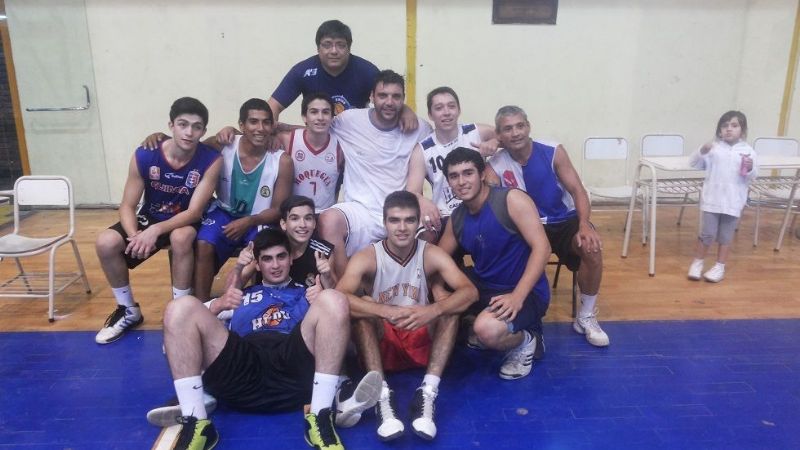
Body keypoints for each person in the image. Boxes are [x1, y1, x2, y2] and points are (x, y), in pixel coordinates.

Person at [160, 228, 381, 450]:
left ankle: (320, 416)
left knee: (334, 299)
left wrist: (325, 290)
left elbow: (341, 333)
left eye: (281, 257)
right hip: (241, 368)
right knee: (178, 308)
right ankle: (197, 422)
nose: (275, 265)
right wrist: (220, 304)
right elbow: (176, 332)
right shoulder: (240, 295)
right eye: (267, 259)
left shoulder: (308, 293)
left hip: (292, 368)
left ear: (290, 259)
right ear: (257, 264)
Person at [336, 191, 478, 441]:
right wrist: (383, 310)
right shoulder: (367, 256)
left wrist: (432, 309)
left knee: (449, 307)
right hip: (383, 341)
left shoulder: (430, 253)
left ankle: (428, 391)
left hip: (420, 335)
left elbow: (470, 292)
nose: (402, 228)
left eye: (409, 220)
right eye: (394, 220)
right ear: (384, 223)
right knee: (364, 308)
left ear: (418, 223)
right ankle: (381, 398)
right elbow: (339, 298)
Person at [95, 97, 222, 345]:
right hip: (152, 214)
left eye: (196, 127)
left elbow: (195, 212)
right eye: (183, 124)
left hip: (184, 217)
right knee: (106, 241)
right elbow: (127, 205)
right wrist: (135, 235)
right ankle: (127, 309)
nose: (189, 132)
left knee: (182, 236)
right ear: (171, 125)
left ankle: (180, 315)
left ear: (204, 131)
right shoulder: (146, 154)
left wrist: (154, 231)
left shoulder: (211, 159)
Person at [138, 98, 294, 301]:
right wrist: (161, 138)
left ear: (273, 126)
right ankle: (201, 305)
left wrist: (249, 221)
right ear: (241, 125)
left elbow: (278, 209)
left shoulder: (282, 160)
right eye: (253, 122)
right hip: (224, 211)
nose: (260, 128)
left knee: (262, 249)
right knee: (204, 243)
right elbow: (189, 147)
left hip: (259, 219)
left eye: (266, 122)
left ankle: (258, 302)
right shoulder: (223, 144)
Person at [486, 105, 610, 348]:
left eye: (520, 126)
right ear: (499, 136)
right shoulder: (495, 165)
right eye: (508, 129)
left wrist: (585, 225)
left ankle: (585, 316)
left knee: (592, 248)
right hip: (527, 228)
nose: (516, 133)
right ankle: (524, 319)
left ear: (528, 127)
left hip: (564, 221)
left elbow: (577, 190)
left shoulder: (553, 151)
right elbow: (489, 198)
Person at [438, 148, 551, 381]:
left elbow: (543, 248)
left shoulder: (511, 200)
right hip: (485, 287)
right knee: (431, 293)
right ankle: (478, 324)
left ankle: (527, 340)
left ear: (481, 174)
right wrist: (438, 291)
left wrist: (517, 297)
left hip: (524, 291)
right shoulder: (457, 218)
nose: (461, 181)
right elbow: (435, 261)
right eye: (454, 176)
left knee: (486, 330)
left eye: (468, 173)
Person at [318, 70, 432, 278]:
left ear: (403, 99)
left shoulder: (420, 128)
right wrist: (277, 130)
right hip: (361, 212)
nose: (389, 102)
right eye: (383, 95)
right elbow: (315, 128)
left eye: (396, 97)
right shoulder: (348, 121)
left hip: (401, 210)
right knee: (328, 219)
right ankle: (347, 290)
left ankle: (417, 288)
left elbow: (446, 146)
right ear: (371, 96)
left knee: (433, 221)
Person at [269, 19, 417, 131]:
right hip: (319, 138)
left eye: (340, 45)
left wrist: (406, 110)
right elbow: (272, 107)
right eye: (327, 44)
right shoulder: (303, 71)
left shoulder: (366, 70)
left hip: (356, 138)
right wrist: (271, 136)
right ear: (317, 48)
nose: (334, 51)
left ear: (349, 48)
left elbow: (389, 96)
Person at [406, 86, 498, 242]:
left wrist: (495, 141)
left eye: (451, 106)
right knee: (423, 234)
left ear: (459, 110)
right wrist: (422, 201)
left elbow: (509, 137)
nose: (446, 112)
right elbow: (412, 191)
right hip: (445, 214)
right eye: (439, 108)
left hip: (482, 207)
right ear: (430, 114)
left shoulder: (475, 131)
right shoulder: (422, 150)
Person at [687, 110, 757, 282]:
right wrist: (701, 150)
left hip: (733, 202)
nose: (729, 129)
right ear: (719, 130)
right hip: (712, 200)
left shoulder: (748, 151)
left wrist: (750, 168)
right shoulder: (714, 149)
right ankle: (698, 262)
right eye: (725, 126)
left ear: (743, 130)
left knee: (726, 236)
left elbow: (752, 176)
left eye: (734, 125)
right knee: (707, 233)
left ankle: (719, 266)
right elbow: (694, 163)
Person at [277, 93, 344, 213]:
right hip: (293, 214)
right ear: (304, 117)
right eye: (314, 112)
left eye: (325, 112)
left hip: (325, 216)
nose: (320, 117)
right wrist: (231, 130)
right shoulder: (288, 140)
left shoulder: (341, 147)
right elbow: (254, 138)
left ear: (332, 117)